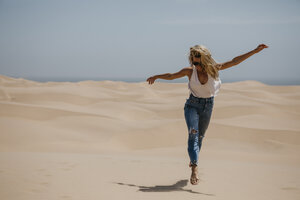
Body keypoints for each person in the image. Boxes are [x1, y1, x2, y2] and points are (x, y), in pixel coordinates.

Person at [146, 44, 268, 185]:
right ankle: (195, 168)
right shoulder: (190, 72)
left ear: (204, 59)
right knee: (193, 133)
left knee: (200, 137)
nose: (195, 62)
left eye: (197, 60)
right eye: (193, 60)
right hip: (192, 105)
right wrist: (156, 76)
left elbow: (234, 62)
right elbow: (171, 76)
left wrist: (254, 51)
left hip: (208, 106)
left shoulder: (213, 69)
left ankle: (193, 160)